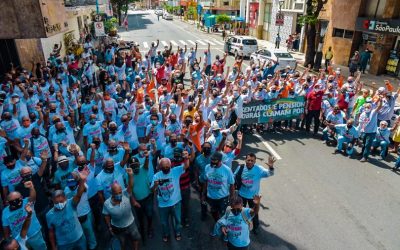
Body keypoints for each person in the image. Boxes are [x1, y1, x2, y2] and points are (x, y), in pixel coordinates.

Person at [151, 155, 190, 243]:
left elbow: (186, 166)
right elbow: (152, 190)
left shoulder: (175, 171)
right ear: (160, 167)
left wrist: (187, 158)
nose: (166, 168)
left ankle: (178, 232)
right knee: (164, 222)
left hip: (176, 202)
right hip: (163, 205)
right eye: (164, 167)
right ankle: (166, 234)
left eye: (167, 166)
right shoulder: (157, 176)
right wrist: (156, 185)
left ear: (170, 165)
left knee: (178, 220)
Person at [46, 171, 88, 250]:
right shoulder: (49, 215)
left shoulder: (71, 204)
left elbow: (79, 194)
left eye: (61, 201)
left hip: (79, 238)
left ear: (65, 198)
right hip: (63, 244)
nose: (59, 204)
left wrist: (82, 181)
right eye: (56, 202)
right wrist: (53, 246)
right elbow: (51, 232)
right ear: (52, 201)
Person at [234, 153, 275, 234]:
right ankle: (243, 225)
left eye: (252, 161)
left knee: (254, 213)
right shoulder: (241, 167)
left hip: (253, 197)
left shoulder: (259, 169)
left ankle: (255, 227)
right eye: (248, 160)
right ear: (245, 160)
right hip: (241, 194)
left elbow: (270, 173)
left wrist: (271, 167)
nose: (250, 162)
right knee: (241, 211)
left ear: (255, 161)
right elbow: (234, 176)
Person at [103, 169, 141, 250]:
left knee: (135, 238)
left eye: (120, 192)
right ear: (112, 193)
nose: (120, 194)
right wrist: (109, 227)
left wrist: (130, 175)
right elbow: (106, 215)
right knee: (122, 242)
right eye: (117, 193)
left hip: (131, 223)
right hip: (118, 227)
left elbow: (130, 186)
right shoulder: (107, 204)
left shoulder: (125, 194)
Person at [202, 152, 235, 222]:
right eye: (212, 161)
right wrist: (203, 194)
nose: (213, 163)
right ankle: (217, 224)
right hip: (211, 197)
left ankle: (222, 228)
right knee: (213, 212)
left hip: (223, 198)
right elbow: (205, 181)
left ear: (220, 161)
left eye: (215, 161)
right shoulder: (207, 167)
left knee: (223, 214)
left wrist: (232, 197)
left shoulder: (227, 170)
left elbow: (232, 184)